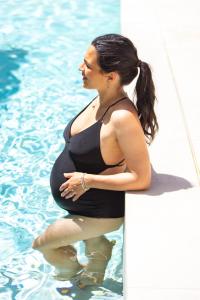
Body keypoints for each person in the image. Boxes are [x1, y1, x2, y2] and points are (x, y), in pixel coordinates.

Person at [32, 33, 158, 288]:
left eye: (88, 65)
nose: (81, 68)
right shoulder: (100, 98)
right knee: (65, 244)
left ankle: (74, 272)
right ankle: (99, 249)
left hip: (100, 212)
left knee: (43, 245)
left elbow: (141, 177)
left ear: (111, 76)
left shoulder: (122, 118)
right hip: (81, 206)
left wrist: (86, 180)